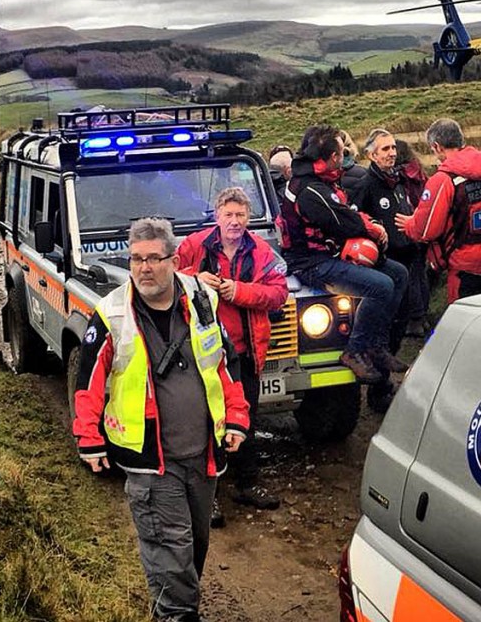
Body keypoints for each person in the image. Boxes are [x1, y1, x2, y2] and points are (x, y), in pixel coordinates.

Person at [73, 217, 250, 622]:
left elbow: (225, 363)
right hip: (152, 462)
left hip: (204, 456)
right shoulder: (112, 313)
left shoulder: (200, 299)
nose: (144, 268)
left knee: (194, 547)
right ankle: (176, 616)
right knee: (170, 550)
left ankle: (175, 609)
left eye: (154, 258)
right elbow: (87, 382)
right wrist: (88, 437)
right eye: (136, 259)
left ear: (174, 260)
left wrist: (237, 417)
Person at [176, 187, 288, 526]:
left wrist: (238, 291)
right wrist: (195, 279)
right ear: (217, 216)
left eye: (241, 216)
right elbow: (167, 280)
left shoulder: (262, 251)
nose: (235, 222)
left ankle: (247, 483)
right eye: (229, 215)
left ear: (248, 218)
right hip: (204, 355)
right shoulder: (194, 246)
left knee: (245, 422)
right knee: (204, 424)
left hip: (245, 352)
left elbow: (279, 292)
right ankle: (206, 497)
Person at [280, 124, 408, 384]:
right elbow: (342, 221)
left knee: (399, 273)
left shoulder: (322, 181)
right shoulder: (309, 190)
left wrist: (368, 225)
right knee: (381, 286)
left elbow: (345, 210)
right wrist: (372, 229)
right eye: (341, 151)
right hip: (311, 263)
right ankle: (355, 349)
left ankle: (376, 344)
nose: (346, 154)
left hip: (329, 255)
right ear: (333, 158)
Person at [395, 118, 481, 303]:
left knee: (463, 315)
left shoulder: (443, 180)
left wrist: (410, 224)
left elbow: (426, 230)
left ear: (437, 146)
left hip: (466, 261)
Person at [346, 129, 419, 412]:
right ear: (371, 155)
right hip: (384, 268)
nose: (391, 153)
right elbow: (355, 222)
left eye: (392, 148)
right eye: (385, 149)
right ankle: (379, 392)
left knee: (398, 329)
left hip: (407, 264)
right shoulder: (367, 185)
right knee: (382, 331)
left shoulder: (398, 181)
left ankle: (384, 383)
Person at [394, 138, 431, 337]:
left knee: (410, 276)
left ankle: (415, 319)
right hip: (423, 225)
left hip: (408, 226)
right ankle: (423, 316)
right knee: (420, 272)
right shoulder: (419, 171)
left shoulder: (400, 176)